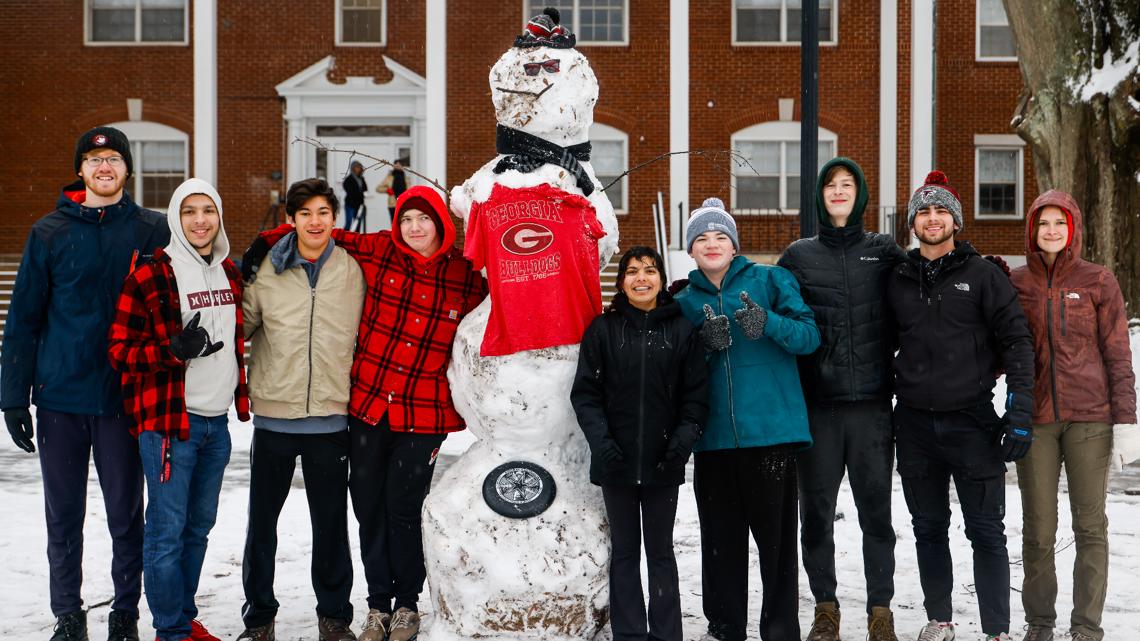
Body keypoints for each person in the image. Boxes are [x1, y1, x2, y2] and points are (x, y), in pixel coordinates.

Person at [242, 184, 486, 641]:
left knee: (403, 508)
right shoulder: (379, 252)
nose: (414, 228)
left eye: (424, 219)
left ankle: (406, 604)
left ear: (441, 224)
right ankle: (376, 605)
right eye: (406, 219)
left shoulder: (466, 276)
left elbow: (492, 317)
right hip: (368, 407)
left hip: (422, 413)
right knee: (368, 507)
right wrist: (269, 237)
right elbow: (317, 233)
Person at [1, 126, 169, 641]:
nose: (104, 167)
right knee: (63, 514)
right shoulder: (48, 232)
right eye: (95, 159)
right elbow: (24, 319)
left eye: (114, 159)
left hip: (126, 398)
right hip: (61, 399)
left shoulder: (151, 231)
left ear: (127, 171)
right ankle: (68, 617)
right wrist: (13, 398)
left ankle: (125, 614)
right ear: (80, 170)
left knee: (126, 513)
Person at [886, 171, 1034, 641]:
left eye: (940, 210)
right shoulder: (899, 278)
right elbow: (878, 342)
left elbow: (1017, 343)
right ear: (913, 222)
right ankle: (940, 620)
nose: (932, 218)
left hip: (972, 422)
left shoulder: (984, 275)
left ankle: (996, 630)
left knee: (986, 531)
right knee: (928, 528)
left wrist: (1020, 411)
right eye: (924, 211)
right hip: (913, 425)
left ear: (955, 220)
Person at [108, 178, 249, 641]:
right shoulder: (151, 274)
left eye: (208, 210)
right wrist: (171, 349)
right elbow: (119, 351)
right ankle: (170, 630)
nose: (200, 220)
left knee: (198, 528)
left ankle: (184, 618)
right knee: (166, 532)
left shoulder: (229, 273)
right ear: (175, 218)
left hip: (217, 423)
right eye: (189, 211)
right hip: (172, 423)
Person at [673, 197, 820, 641]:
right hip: (714, 440)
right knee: (721, 546)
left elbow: (809, 337)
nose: (711, 244)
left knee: (776, 549)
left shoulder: (772, 280)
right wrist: (700, 343)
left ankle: (779, 630)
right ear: (691, 250)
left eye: (720, 236)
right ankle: (724, 626)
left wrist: (768, 323)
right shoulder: (681, 302)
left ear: (734, 246)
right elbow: (670, 367)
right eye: (701, 238)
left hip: (771, 436)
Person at [778, 157, 905, 641]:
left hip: (873, 408)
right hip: (819, 410)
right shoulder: (798, 256)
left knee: (878, 517)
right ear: (819, 195)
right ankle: (825, 608)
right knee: (814, 516)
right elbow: (774, 307)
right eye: (830, 184)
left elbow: (923, 287)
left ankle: (880, 611)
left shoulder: (884, 251)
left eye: (847, 184)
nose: (838, 191)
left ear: (861, 194)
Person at [237, 179, 365, 641]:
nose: (315, 222)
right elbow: (240, 327)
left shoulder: (353, 269)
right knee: (262, 526)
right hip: (275, 414)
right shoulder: (266, 269)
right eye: (305, 213)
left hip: (331, 416)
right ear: (291, 219)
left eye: (323, 213)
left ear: (336, 218)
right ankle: (259, 617)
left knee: (330, 523)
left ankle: (334, 615)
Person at [1009, 190, 1136, 641]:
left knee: (1090, 525)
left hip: (1091, 420)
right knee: (1039, 528)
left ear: (1073, 228)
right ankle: (1040, 622)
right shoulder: (1017, 282)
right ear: (1032, 230)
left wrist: (1126, 423)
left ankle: (1086, 626)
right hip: (1037, 421)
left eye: (1059, 223)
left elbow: (1119, 356)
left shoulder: (1099, 280)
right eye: (1043, 223)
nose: (1051, 231)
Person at [572, 246, 708, 641]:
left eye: (650, 270)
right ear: (622, 281)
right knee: (626, 553)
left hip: (663, 463)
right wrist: (603, 445)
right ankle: (630, 633)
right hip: (615, 463)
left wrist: (679, 447)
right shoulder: (604, 329)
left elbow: (696, 399)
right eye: (632, 271)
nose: (641, 278)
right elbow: (586, 395)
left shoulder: (682, 330)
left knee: (661, 554)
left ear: (662, 279)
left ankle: (666, 634)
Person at [342, 160, 367, 231]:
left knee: (358, 224)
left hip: (359, 205)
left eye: (359, 167)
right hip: (350, 204)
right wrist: (358, 193)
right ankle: (344, 239)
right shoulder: (348, 180)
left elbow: (365, 189)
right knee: (348, 223)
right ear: (353, 168)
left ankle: (356, 240)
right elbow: (350, 192)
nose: (358, 169)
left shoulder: (361, 178)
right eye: (357, 167)